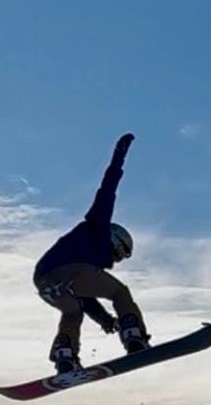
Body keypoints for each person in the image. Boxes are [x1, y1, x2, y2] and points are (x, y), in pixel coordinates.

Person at [32, 132, 150, 375]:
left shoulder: (89, 250)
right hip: (71, 269)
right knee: (120, 292)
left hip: (44, 281)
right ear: (115, 240)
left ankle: (65, 356)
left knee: (72, 311)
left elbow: (86, 299)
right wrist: (119, 157)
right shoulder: (98, 226)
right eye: (120, 254)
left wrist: (105, 321)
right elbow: (107, 190)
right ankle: (133, 336)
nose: (116, 260)